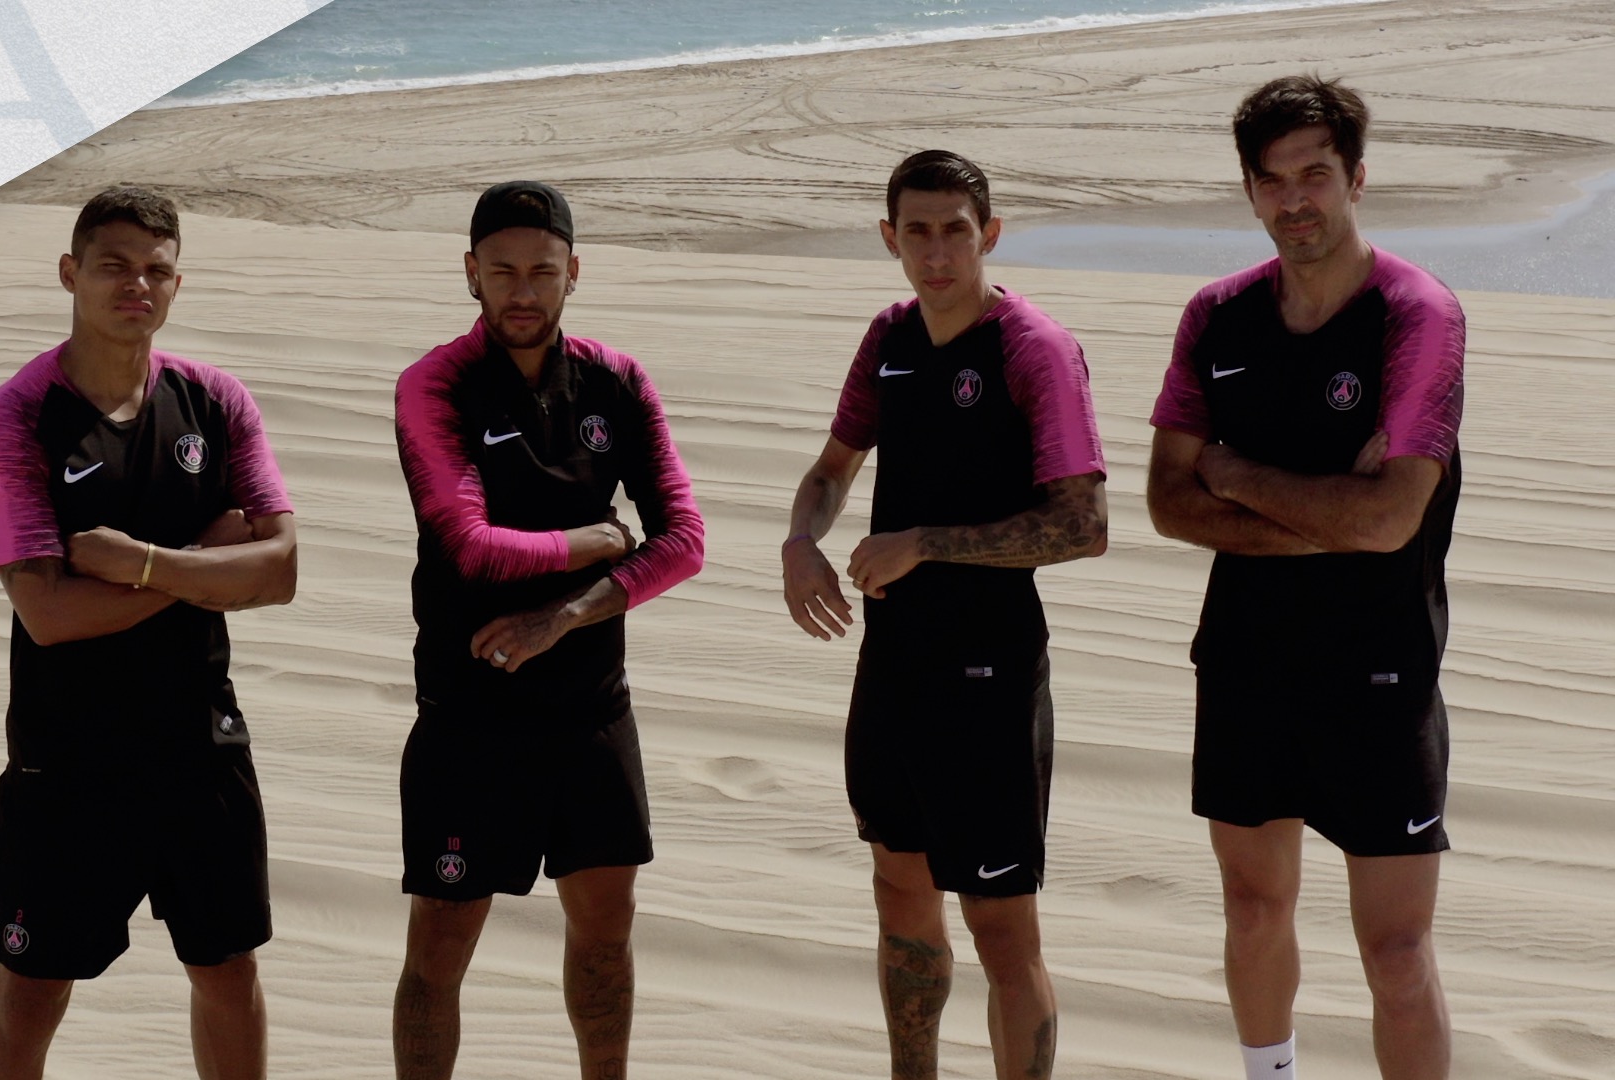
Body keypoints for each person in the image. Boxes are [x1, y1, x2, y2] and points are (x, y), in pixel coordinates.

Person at [1145, 75, 1465, 1080]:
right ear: (1249, 191)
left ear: (1356, 178)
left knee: (1397, 951)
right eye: (1273, 181)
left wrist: (1238, 475)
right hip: (1247, 660)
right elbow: (1168, 501)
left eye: (1315, 175)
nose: (1296, 201)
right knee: (1252, 908)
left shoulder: (1417, 317)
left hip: (1381, 669)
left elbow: (1390, 519)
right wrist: (1328, 515)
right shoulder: (1216, 317)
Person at [781, 150, 1107, 1080]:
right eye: (915, 232)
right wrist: (801, 541)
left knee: (1002, 927)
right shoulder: (889, 336)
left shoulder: (1033, 348)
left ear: (988, 234)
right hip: (893, 668)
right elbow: (831, 470)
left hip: (991, 676)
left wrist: (924, 542)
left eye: (954, 231)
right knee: (898, 889)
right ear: (889, 238)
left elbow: (1082, 526)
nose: (935, 253)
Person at [0, 186, 297, 1080]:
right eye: (114, 265)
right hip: (67, 765)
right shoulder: (15, 417)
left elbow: (280, 570)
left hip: (202, 749)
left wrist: (142, 564)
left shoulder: (216, 401)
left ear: (178, 283)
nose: (136, 285)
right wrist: (203, 564)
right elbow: (50, 614)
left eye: (156, 269)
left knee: (229, 975)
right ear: (70, 273)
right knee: (28, 1002)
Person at [390, 180, 705, 1080]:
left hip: (590, 710)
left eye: (542, 271)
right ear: (471, 274)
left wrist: (562, 616)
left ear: (575, 272)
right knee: (440, 943)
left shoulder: (618, 381)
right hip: (469, 712)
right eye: (502, 272)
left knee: (605, 933)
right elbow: (470, 546)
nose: (523, 292)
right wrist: (596, 541)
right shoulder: (435, 385)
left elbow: (685, 542)